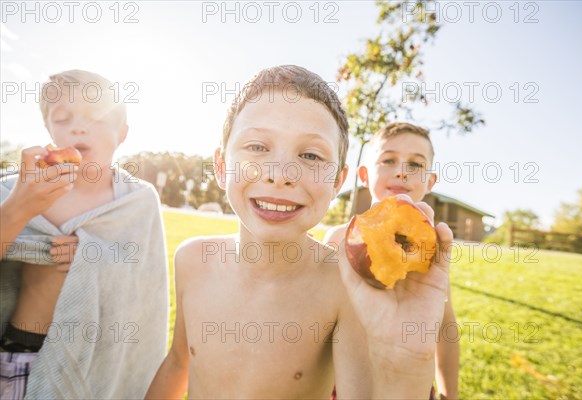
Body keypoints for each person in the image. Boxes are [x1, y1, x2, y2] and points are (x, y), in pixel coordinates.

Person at [146, 65, 453, 399]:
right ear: (221, 167)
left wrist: (405, 366)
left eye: (310, 155)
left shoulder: (344, 288)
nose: (281, 174)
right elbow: (178, 363)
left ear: (338, 181)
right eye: (257, 147)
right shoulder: (192, 260)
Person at [0, 70, 169, 399]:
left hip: (96, 365)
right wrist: (18, 207)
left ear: (122, 133)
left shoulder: (137, 200)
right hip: (19, 352)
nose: (78, 127)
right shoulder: (14, 188)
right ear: (48, 129)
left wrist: (96, 256)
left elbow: (147, 286)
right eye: (62, 118)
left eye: (95, 116)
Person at [324, 122, 459, 399]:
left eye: (416, 164)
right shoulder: (338, 240)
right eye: (388, 160)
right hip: (345, 387)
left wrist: (449, 394)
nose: (401, 171)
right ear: (364, 174)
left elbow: (446, 328)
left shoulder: (428, 253)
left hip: (411, 386)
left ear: (430, 181)